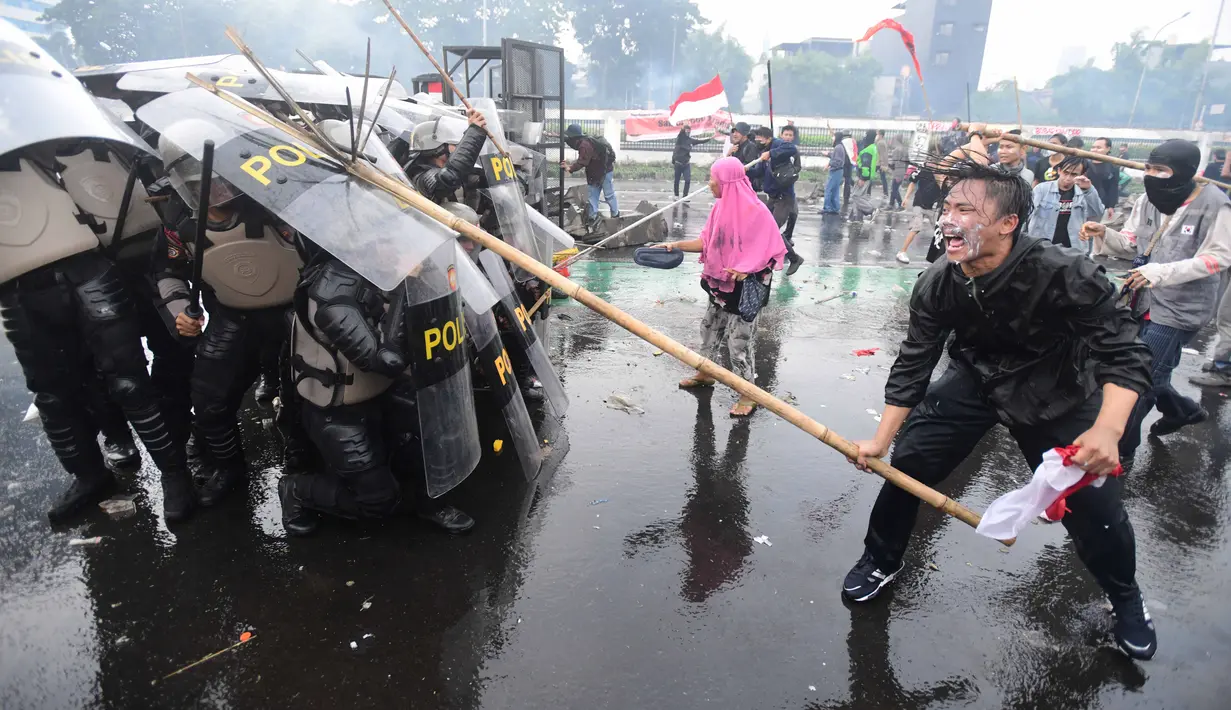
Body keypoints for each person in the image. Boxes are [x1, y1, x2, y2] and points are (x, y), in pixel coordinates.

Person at [845, 158, 1157, 660]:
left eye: (965, 209)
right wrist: (880, 441)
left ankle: (1125, 597)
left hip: (1058, 390)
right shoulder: (938, 282)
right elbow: (914, 363)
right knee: (908, 466)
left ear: (1008, 223)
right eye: (947, 207)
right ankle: (880, 560)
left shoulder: (1064, 272)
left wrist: (1106, 429)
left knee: (1095, 509)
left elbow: (1126, 354)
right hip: (976, 380)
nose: (948, 219)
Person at [1, 144, 197, 524]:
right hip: (18, 287)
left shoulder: (39, 132)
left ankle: (175, 474)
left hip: (87, 268)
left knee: (130, 383)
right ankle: (89, 476)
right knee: (52, 396)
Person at [156, 134, 303, 507]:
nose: (216, 190)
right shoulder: (178, 215)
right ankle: (229, 467)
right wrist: (180, 312)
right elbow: (167, 271)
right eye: (199, 182)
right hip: (232, 316)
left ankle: (303, 474)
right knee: (209, 401)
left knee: (306, 400)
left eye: (222, 178)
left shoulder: (273, 196)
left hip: (294, 316)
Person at [1081, 139, 1231, 465]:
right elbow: (1133, 244)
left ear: (1184, 172)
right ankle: (1183, 410)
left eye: (1160, 170)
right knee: (1151, 372)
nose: (1151, 175)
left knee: (1138, 377)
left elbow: (1218, 258)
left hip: (1180, 308)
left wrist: (1161, 272)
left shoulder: (1214, 205)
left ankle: (1120, 450)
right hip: (1141, 298)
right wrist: (1103, 233)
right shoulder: (1148, 200)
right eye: (1148, 168)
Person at [277, 254, 409, 536]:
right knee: (378, 503)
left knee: (419, 456)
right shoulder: (332, 288)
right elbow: (387, 361)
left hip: (383, 396)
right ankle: (297, 490)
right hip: (339, 412)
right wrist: (409, 289)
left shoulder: (381, 264)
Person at [652, 157, 787, 416]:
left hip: (746, 291)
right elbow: (706, 242)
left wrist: (747, 269)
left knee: (739, 342)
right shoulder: (720, 208)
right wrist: (675, 245)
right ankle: (705, 373)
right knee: (709, 329)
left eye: (713, 179)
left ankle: (748, 393)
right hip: (721, 285)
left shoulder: (757, 212)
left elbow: (771, 252)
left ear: (727, 182)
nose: (710, 183)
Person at [749, 127, 806, 274]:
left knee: (772, 230)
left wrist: (771, 153)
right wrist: (745, 170)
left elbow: (791, 148)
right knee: (761, 227)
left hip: (784, 198)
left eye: (759, 139)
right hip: (773, 198)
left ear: (767, 138)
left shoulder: (777, 145)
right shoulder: (763, 153)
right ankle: (766, 258)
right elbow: (759, 171)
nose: (757, 142)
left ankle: (794, 258)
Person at [406, 109, 488, 204]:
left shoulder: (465, 174)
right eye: (454, 143)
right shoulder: (421, 178)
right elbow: (449, 177)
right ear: (437, 147)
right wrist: (474, 132)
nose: (459, 147)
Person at [1026, 156, 1104, 251]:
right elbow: (1027, 214)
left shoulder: (1084, 193)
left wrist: (1088, 190)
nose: (1068, 178)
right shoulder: (1042, 190)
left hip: (1072, 247)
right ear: (1059, 170)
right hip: (1043, 245)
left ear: (1082, 175)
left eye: (1074, 174)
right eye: (1065, 173)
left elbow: (1097, 213)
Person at [894, 139, 945, 264]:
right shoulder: (923, 167)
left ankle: (945, 256)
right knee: (917, 226)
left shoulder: (942, 168)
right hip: (919, 202)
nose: (934, 158)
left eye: (937, 155)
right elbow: (913, 182)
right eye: (932, 154)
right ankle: (902, 251)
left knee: (941, 229)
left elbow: (944, 186)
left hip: (933, 205)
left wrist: (939, 175)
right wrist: (906, 198)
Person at [562, 123, 619, 223]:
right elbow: (573, 145)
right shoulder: (583, 141)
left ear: (573, 137)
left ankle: (616, 216)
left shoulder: (584, 146)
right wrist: (560, 137)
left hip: (604, 171)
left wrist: (569, 168)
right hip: (595, 172)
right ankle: (593, 218)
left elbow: (582, 162)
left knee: (608, 195)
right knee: (593, 195)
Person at [778, 125, 803, 252]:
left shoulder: (794, 151)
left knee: (794, 213)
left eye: (790, 135)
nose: (787, 137)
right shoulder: (777, 148)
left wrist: (792, 173)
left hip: (789, 186)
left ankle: (788, 235)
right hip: (777, 188)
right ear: (781, 135)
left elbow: (798, 166)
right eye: (785, 134)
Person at [671, 124, 709, 197]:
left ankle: (685, 196)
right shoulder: (680, 139)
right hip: (678, 163)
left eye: (689, 131)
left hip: (686, 164)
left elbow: (700, 141)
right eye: (686, 131)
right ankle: (676, 195)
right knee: (676, 181)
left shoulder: (690, 140)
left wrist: (710, 138)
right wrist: (683, 128)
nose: (688, 133)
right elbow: (681, 133)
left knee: (687, 180)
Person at [1089, 137, 1121, 219]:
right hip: (1083, 201)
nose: (1095, 150)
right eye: (1093, 147)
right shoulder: (1085, 163)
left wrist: (1111, 206)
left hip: (1101, 204)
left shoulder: (1113, 166)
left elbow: (1114, 187)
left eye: (1099, 148)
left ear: (1108, 149)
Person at [822, 131, 850, 215]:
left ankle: (827, 208)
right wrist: (828, 154)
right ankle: (835, 207)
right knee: (835, 190)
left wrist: (829, 164)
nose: (832, 138)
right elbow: (837, 157)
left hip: (835, 171)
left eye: (833, 137)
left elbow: (838, 161)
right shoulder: (840, 146)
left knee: (829, 189)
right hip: (838, 171)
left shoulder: (838, 147)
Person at [888, 137, 909, 210]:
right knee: (894, 188)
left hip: (897, 171)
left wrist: (888, 165)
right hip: (902, 171)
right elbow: (907, 162)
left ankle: (900, 204)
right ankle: (891, 204)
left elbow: (893, 163)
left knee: (894, 189)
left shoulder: (896, 150)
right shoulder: (905, 150)